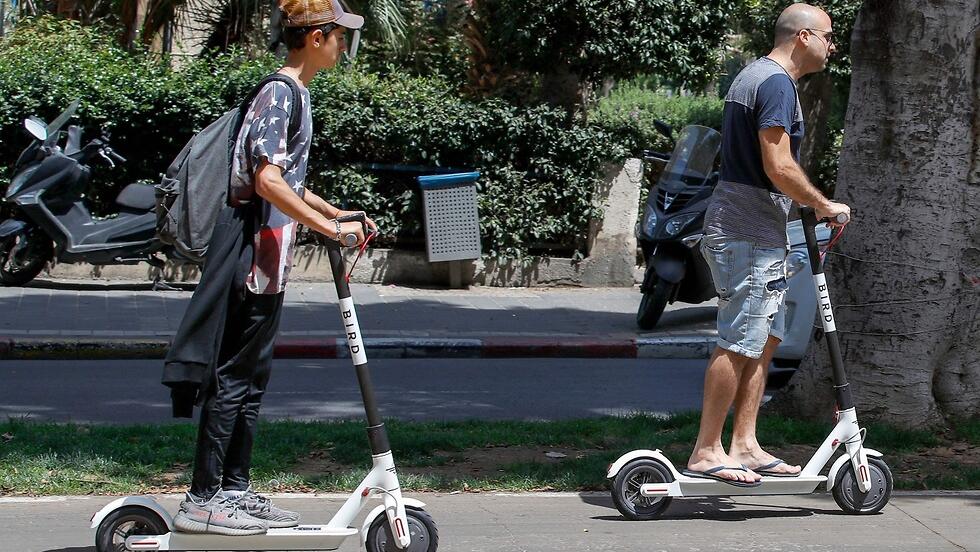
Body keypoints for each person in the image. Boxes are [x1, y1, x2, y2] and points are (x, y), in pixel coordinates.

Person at [164, 0, 376, 535]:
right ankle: (203, 498)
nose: (343, 43)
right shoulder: (279, 92)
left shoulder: (295, 94)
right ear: (316, 37)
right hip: (248, 255)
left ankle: (234, 488)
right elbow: (267, 182)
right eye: (338, 34)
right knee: (233, 378)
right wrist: (330, 231)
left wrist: (336, 212)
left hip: (269, 258)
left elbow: (288, 180)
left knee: (253, 379)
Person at [685, 3, 850, 487]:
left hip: (755, 229)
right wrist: (823, 204)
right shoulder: (776, 82)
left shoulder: (755, 75)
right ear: (802, 37)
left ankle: (745, 445)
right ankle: (706, 450)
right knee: (738, 341)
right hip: (746, 232)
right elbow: (777, 165)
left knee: (766, 337)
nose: (832, 45)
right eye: (827, 36)